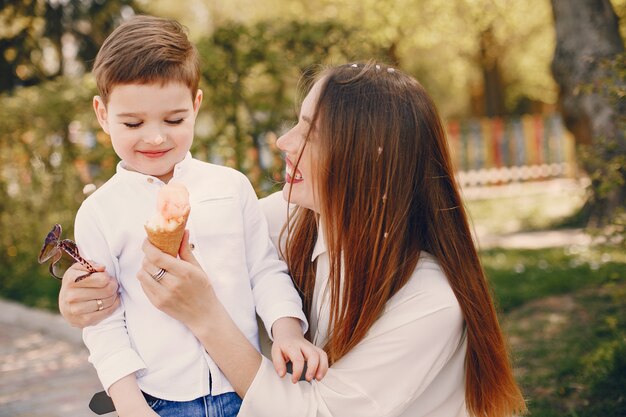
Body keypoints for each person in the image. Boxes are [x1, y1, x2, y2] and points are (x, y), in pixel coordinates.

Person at [61, 61, 527, 417]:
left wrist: (206, 317)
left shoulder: (428, 301)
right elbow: (177, 246)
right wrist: (83, 297)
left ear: (364, 159)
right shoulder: (290, 221)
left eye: (310, 132)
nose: (284, 141)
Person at [65, 14, 327, 417]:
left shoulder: (230, 187)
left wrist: (288, 332)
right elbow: (104, 322)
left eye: (174, 120)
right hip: (160, 401)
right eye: (132, 122)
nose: (155, 137)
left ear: (196, 105)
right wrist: (130, 404)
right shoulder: (99, 213)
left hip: (248, 389)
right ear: (102, 114)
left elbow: (264, 270)